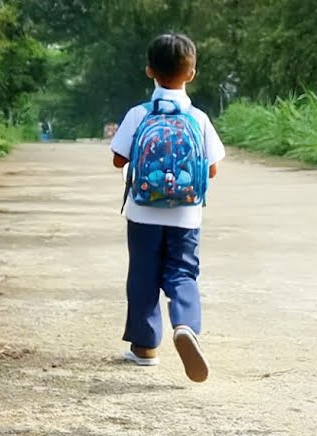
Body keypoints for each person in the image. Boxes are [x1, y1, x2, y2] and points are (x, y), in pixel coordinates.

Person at [109, 33, 225, 382]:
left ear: (149, 71)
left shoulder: (138, 114)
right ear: (191, 74)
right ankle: (186, 324)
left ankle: (144, 347)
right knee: (182, 273)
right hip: (186, 216)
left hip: (142, 213)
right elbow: (213, 168)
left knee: (143, 276)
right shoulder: (198, 118)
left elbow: (118, 160)